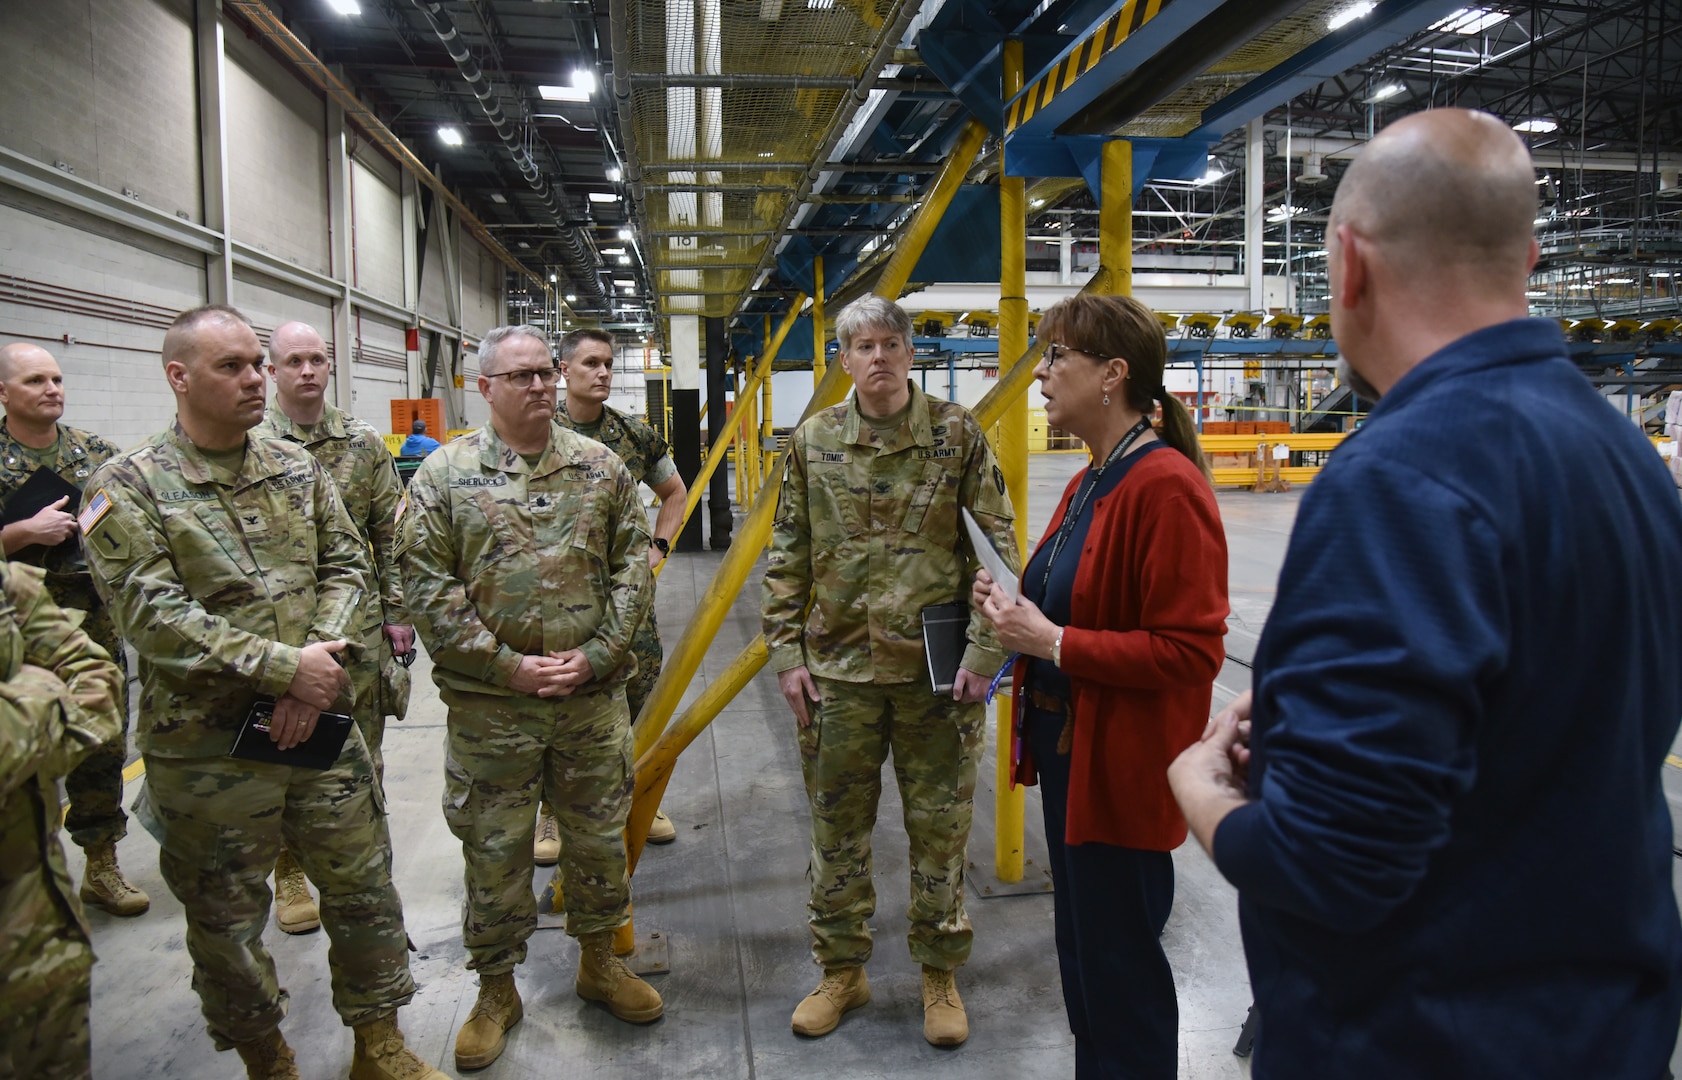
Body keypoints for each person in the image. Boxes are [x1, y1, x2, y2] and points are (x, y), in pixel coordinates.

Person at [1167, 108, 1682, 1078]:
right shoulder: (1625, 457)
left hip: (1423, 1040)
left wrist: (1199, 792)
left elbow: (1328, 864)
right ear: (1527, 257)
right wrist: (1314, 713)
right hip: (1605, 1032)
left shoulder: (1399, 478)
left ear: (1349, 264)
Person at [81, 305, 442, 1080]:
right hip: (208, 750)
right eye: (232, 366)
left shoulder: (295, 466)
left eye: (255, 363)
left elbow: (349, 563)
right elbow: (149, 615)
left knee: (364, 888)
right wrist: (286, 670)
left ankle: (379, 1046)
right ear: (179, 377)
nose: (255, 379)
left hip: (321, 724)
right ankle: (267, 1059)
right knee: (226, 920)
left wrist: (315, 673)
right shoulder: (127, 485)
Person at [973, 293, 1227, 1078]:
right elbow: (1066, 596)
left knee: (1120, 977)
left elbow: (1190, 651)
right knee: (1088, 965)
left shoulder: (1165, 487)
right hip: (1071, 757)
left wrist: (1051, 640)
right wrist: (1011, 606)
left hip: (1120, 770)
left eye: (1057, 357)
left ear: (1113, 374)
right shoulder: (1093, 478)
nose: (1041, 374)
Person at [398, 324, 663, 1072]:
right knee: (495, 849)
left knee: (597, 840)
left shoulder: (602, 467)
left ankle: (600, 963)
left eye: (546, 371)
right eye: (522, 376)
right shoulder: (444, 476)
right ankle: (495, 990)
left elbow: (632, 567)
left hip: (590, 702)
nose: (541, 385)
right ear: (484, 388)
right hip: (493, 711)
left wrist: (600, 654)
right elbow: (428, 588)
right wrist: (505, 666)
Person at [762, 295, 1018, 1047]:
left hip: (936, 677)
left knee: (940, 829)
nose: (878, 357)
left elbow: (997, 549)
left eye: (890, 344)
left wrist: (985, 655)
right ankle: (842, 969)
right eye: (863, 347)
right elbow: (787, 553)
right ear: (844, 360)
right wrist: (785, 655)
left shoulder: (956, 434)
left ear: (910, 353)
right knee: (836, 830)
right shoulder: (813, 441)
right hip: (837, 673)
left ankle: (939, 971)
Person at [256, 321, 414, 935]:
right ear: (273, 371)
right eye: (294, 361)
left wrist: (397, 612)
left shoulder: (363, 442)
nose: (307, 371)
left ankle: (362, 864)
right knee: (285, 750)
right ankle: (290, 869)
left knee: (361, 749)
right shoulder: (253, 441)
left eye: (317, 359)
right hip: (279, 629)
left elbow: (387, 535)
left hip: (356, 628)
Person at [0, 341, 148, 917]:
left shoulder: (97, 454)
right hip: (17, 631)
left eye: (57, 379)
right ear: (4, 393)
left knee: (101, 742)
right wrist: (20, 534)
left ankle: (101, 864)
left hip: (92, 624)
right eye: (35, 380)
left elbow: (129, 529)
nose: (51, 389)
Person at [549, 326, 685, 852]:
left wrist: (658, 549)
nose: (603, 372)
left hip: (626, 598)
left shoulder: (633, 435)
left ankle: (635, 794)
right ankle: (552, 811)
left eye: (607, 363)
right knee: (559, 700)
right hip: (556, 598)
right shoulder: (539, 430)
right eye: (591, 363)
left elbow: (674, 492)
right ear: (564, 371)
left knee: (637, 691)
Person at [0, 561, 125, 1079]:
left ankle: (101, 861)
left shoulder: (8, 583)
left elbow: (100, 680)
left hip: (39, 937)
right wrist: (46, 693)